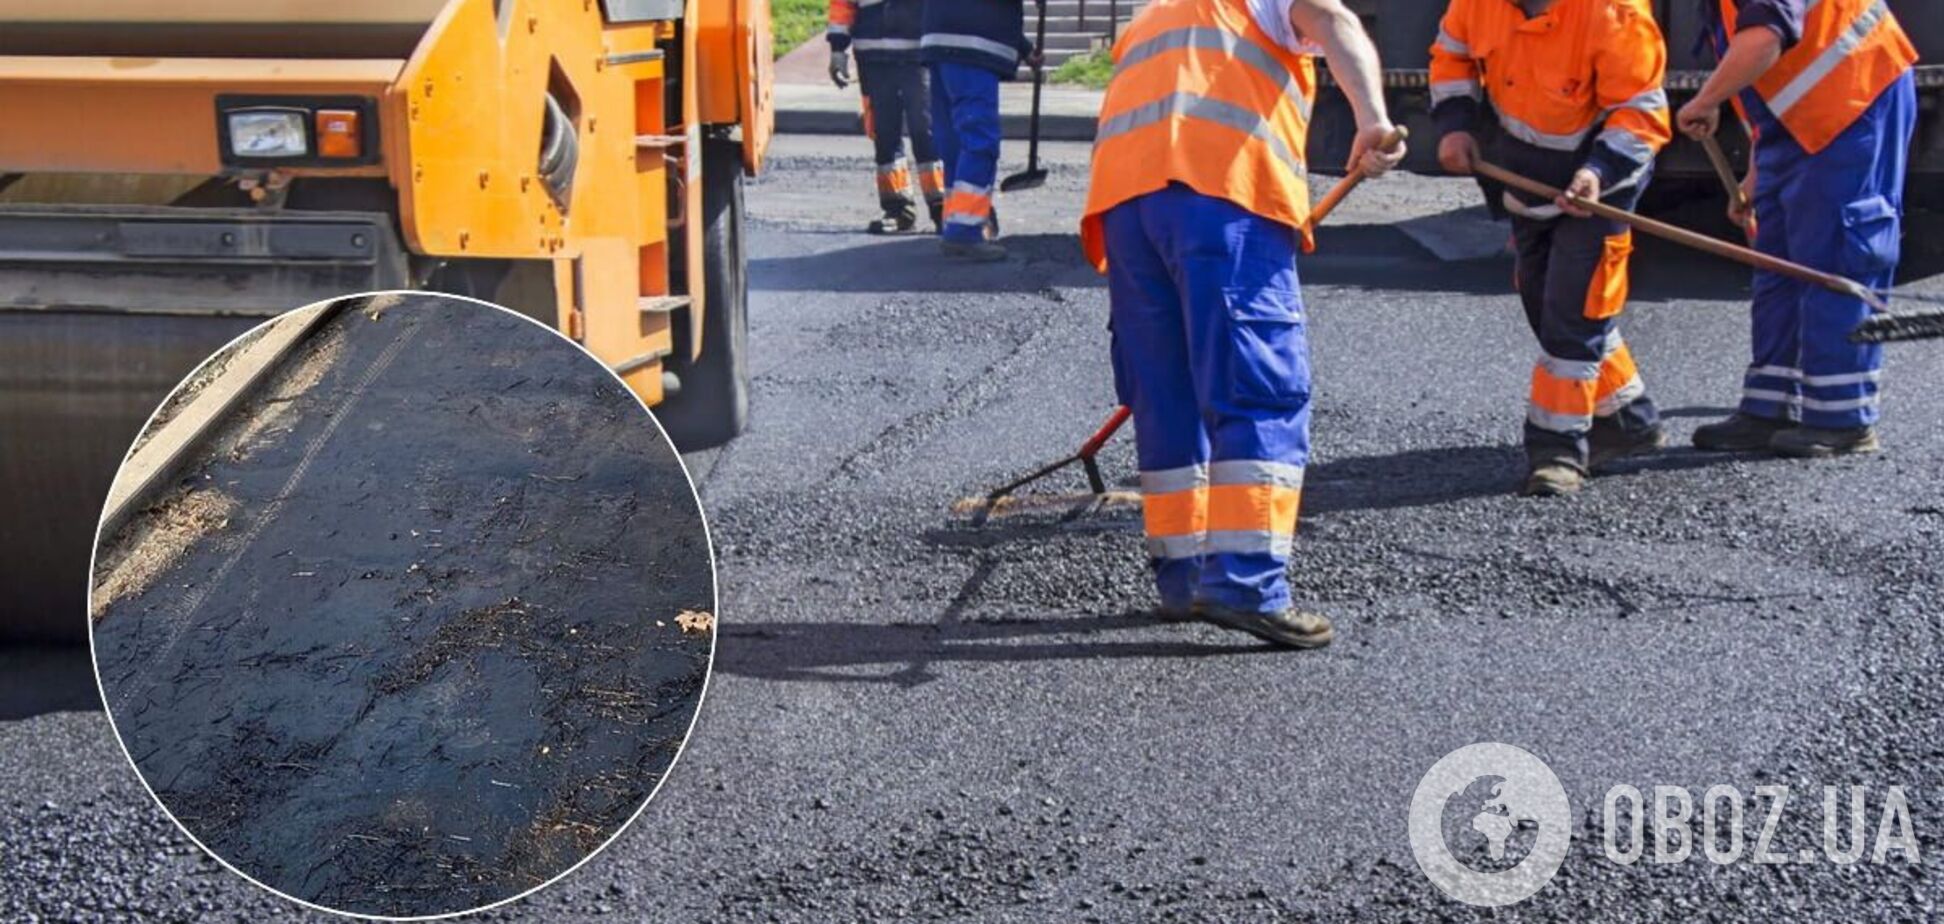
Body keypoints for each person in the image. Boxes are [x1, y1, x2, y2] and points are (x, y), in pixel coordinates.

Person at [1079, 0, 1405, 648]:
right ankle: (1246, 583)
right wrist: (1373, 119)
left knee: (1164, 396)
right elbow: (1334, 20)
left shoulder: (1154, 16)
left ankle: (1183, 576)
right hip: (1221, 195)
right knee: (1258, 388)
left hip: (1127, 210)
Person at [1430, 0, 1673, 497]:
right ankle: (1630, 418)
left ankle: (1558, 450)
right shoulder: (1477, 6)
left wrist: (1597, 173)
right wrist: (1456, 125)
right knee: (1545, 304)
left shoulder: (1614, 14)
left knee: (1573, 317)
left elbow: (1639, 113)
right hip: (1525, 179)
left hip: (1600, 188)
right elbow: (1451, 57)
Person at [1677, 1, 1918, 457]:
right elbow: (1770, 78)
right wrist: (1756, 169)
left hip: (1856, 96)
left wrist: (1705, 98)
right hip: (1799, 120)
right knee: (1777, 260)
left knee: (1839, 253)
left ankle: (1843, 419)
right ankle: (1769, 407)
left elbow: (1766, 37)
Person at [921, 0, 1036, 261]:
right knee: (979, 141)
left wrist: (1023, 47)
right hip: (972, 42)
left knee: (954, 143)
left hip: (940, 38)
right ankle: (964, 231)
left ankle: (956, 222)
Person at [828, 0, 947, 233]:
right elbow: (842, 4)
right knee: (884, 133)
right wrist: (837, 49)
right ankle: (898, 208)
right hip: (873, 56)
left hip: (918, 53)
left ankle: (941, 205)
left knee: (926, 129)